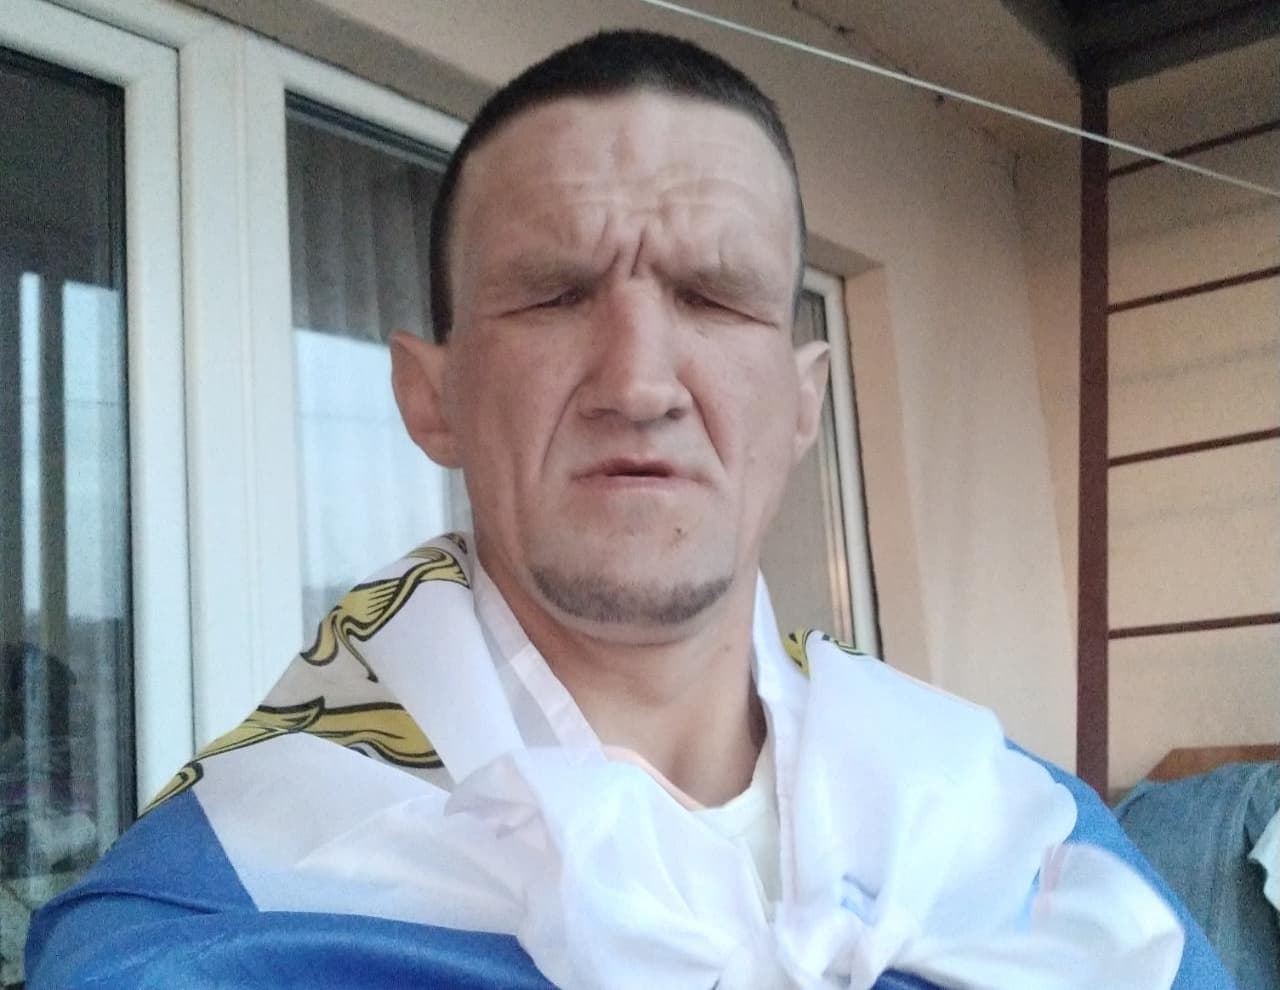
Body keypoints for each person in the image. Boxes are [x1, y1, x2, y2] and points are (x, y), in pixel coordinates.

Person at [26, 29, 1230, 990]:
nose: (640, 383)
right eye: (554, 294)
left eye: (714, 296)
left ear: (802, 402)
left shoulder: (1023, 834)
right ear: (429, 398)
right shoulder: (207, 916)